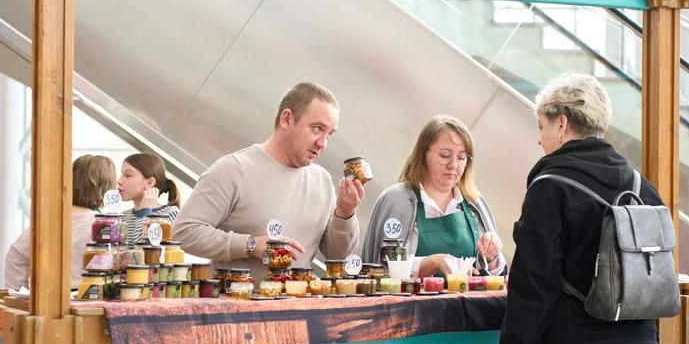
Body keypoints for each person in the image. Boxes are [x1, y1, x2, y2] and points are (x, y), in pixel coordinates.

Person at [490, 73, 660, 344]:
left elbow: (533, 285)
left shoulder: (550, 187)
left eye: (541, 126)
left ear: (562, 124)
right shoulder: (640, 186)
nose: (539, 139)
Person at [172, 82, 363, 281]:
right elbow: (184, 233)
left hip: (298, 300)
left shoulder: (322, 180)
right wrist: (250, 245)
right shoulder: (233, 169)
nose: (322, 143)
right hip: (237, 299)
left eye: (329, 134)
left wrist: (345, 214)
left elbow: (338, 256)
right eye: (317, 129)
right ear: (287, 119)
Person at [363, 116, 505, 277]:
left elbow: (493, 275)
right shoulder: (397, 200)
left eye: (461, 157)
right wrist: (433, 262)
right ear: (423, 154)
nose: (453, 165)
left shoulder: (474, 203)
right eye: (444, 155)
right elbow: (383, 271)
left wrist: (491, 257)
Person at [4, 154, 117, 290]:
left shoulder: (49, 219)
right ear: (106, 189)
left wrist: (18, 292)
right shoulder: (104, 224)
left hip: (48, 297)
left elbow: (16, 255)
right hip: (89, 297)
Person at [117, 153, 181, 243]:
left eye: (128, 175)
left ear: (150, 183)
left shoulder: (170, 214)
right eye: (121, 174)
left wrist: (144, 213)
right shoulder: (124, 216)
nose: (119, 181)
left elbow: (143, 248)